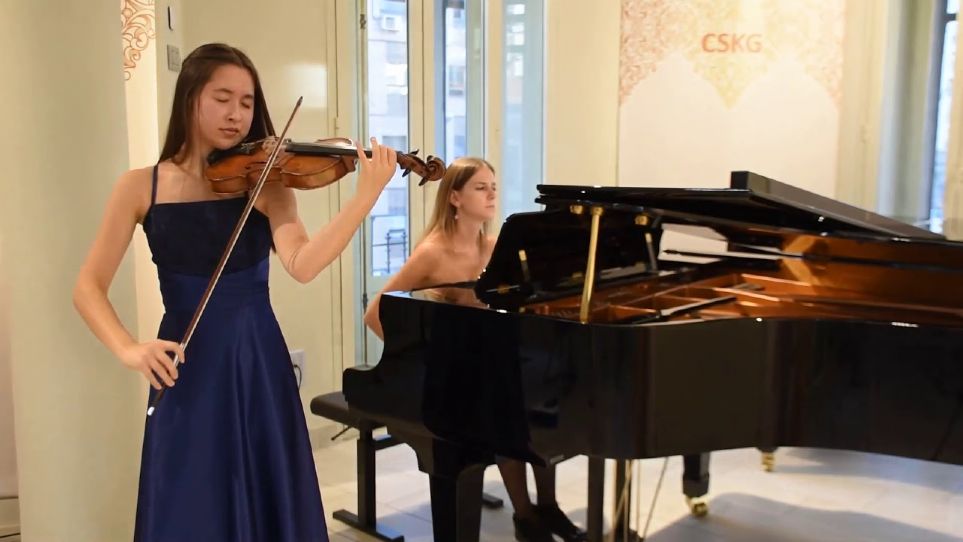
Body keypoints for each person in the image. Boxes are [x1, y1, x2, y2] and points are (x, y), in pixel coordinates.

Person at [72, 43, 397, 542]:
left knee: (266, 492)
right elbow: (88, 287)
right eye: (222, 98)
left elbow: (303, 264)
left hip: (256, 359)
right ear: (190, 99)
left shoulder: (265, 183)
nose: (237, 114)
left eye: (246, 103)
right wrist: (130, 349)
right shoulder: (140, 188)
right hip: (186, 361)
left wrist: (365, 197)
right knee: (189, 496)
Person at [363, 157, 587, 542]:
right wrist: (417, 359)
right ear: (455, 197)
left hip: (493, 363)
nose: (491, 195)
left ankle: (546, 508)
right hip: (459, 376)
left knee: (541, 402)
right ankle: (526, 515)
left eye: (494, 187)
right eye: (481, 188)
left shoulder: (495, 246)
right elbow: (375, 313)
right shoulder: (433, 252)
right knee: (508, 410)